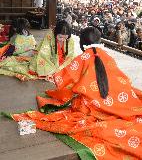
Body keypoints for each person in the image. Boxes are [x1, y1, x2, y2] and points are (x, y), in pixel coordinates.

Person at [11, 27, 142, 159]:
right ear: (99, 40)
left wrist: (55, 77)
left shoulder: (83, 57)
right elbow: (119, 79)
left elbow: (63, 78)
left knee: (77, 97)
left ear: (81, 43)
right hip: (118, 103)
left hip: (91, 105)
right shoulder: (108, 56)